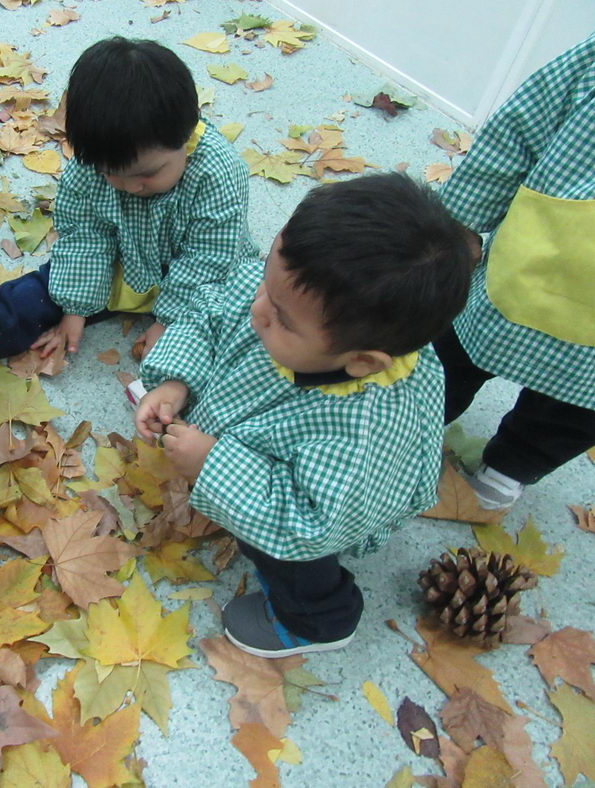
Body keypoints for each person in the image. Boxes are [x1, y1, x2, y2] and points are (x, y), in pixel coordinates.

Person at [134, 173, 473, 658]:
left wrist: (214, 465)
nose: (257, 309)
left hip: (312, 515)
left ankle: (317, 620)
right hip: (252, 433)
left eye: (281, 319)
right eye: (266, 282)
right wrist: (176, 380)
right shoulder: (290, 293)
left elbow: (308, 522)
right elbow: (211, 313)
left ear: (361, 362)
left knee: (287, 558)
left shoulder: (361, 436)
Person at [0, 36, 257, 372]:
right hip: (123, 260)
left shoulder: (219, 172)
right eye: (113, 175)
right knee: (41, 290)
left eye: (148, 174)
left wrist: (168, 322)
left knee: (243, 314)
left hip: (199, 273)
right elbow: (84, 234)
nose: (131, 187)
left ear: (187, 131)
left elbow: (209, 259)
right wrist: (75, 308)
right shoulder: (92, 162)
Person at [433, 34, 595, 510]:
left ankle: (513, 463)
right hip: (534, 265)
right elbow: (519, 131)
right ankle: (407, 427)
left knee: (576, 409)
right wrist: (461, 219)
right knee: (451, 353)